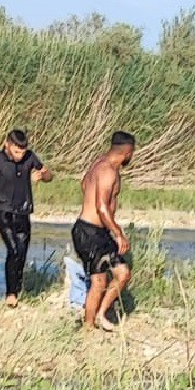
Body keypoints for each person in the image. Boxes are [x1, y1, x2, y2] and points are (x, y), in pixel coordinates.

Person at [0, 129, 53, 308]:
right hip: (3, 212)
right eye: (16, 152)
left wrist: (42, 176)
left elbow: (49, 175)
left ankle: (17, 289)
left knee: (21, 253)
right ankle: (11, 294)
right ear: (7, 145)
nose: (20, 156)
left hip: (23, 211)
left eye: (22, 151)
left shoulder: (30, 157)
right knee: (13, 251)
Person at [72, 131, 136, 332]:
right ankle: (88, 326)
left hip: (97, 232)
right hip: (89, 232)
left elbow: (84, 185)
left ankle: (100, 314)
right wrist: (117, 232)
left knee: (123, 273)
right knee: (99, 281)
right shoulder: (108, 170)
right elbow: (101, 207)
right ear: (127, 152)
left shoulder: (99, 164)